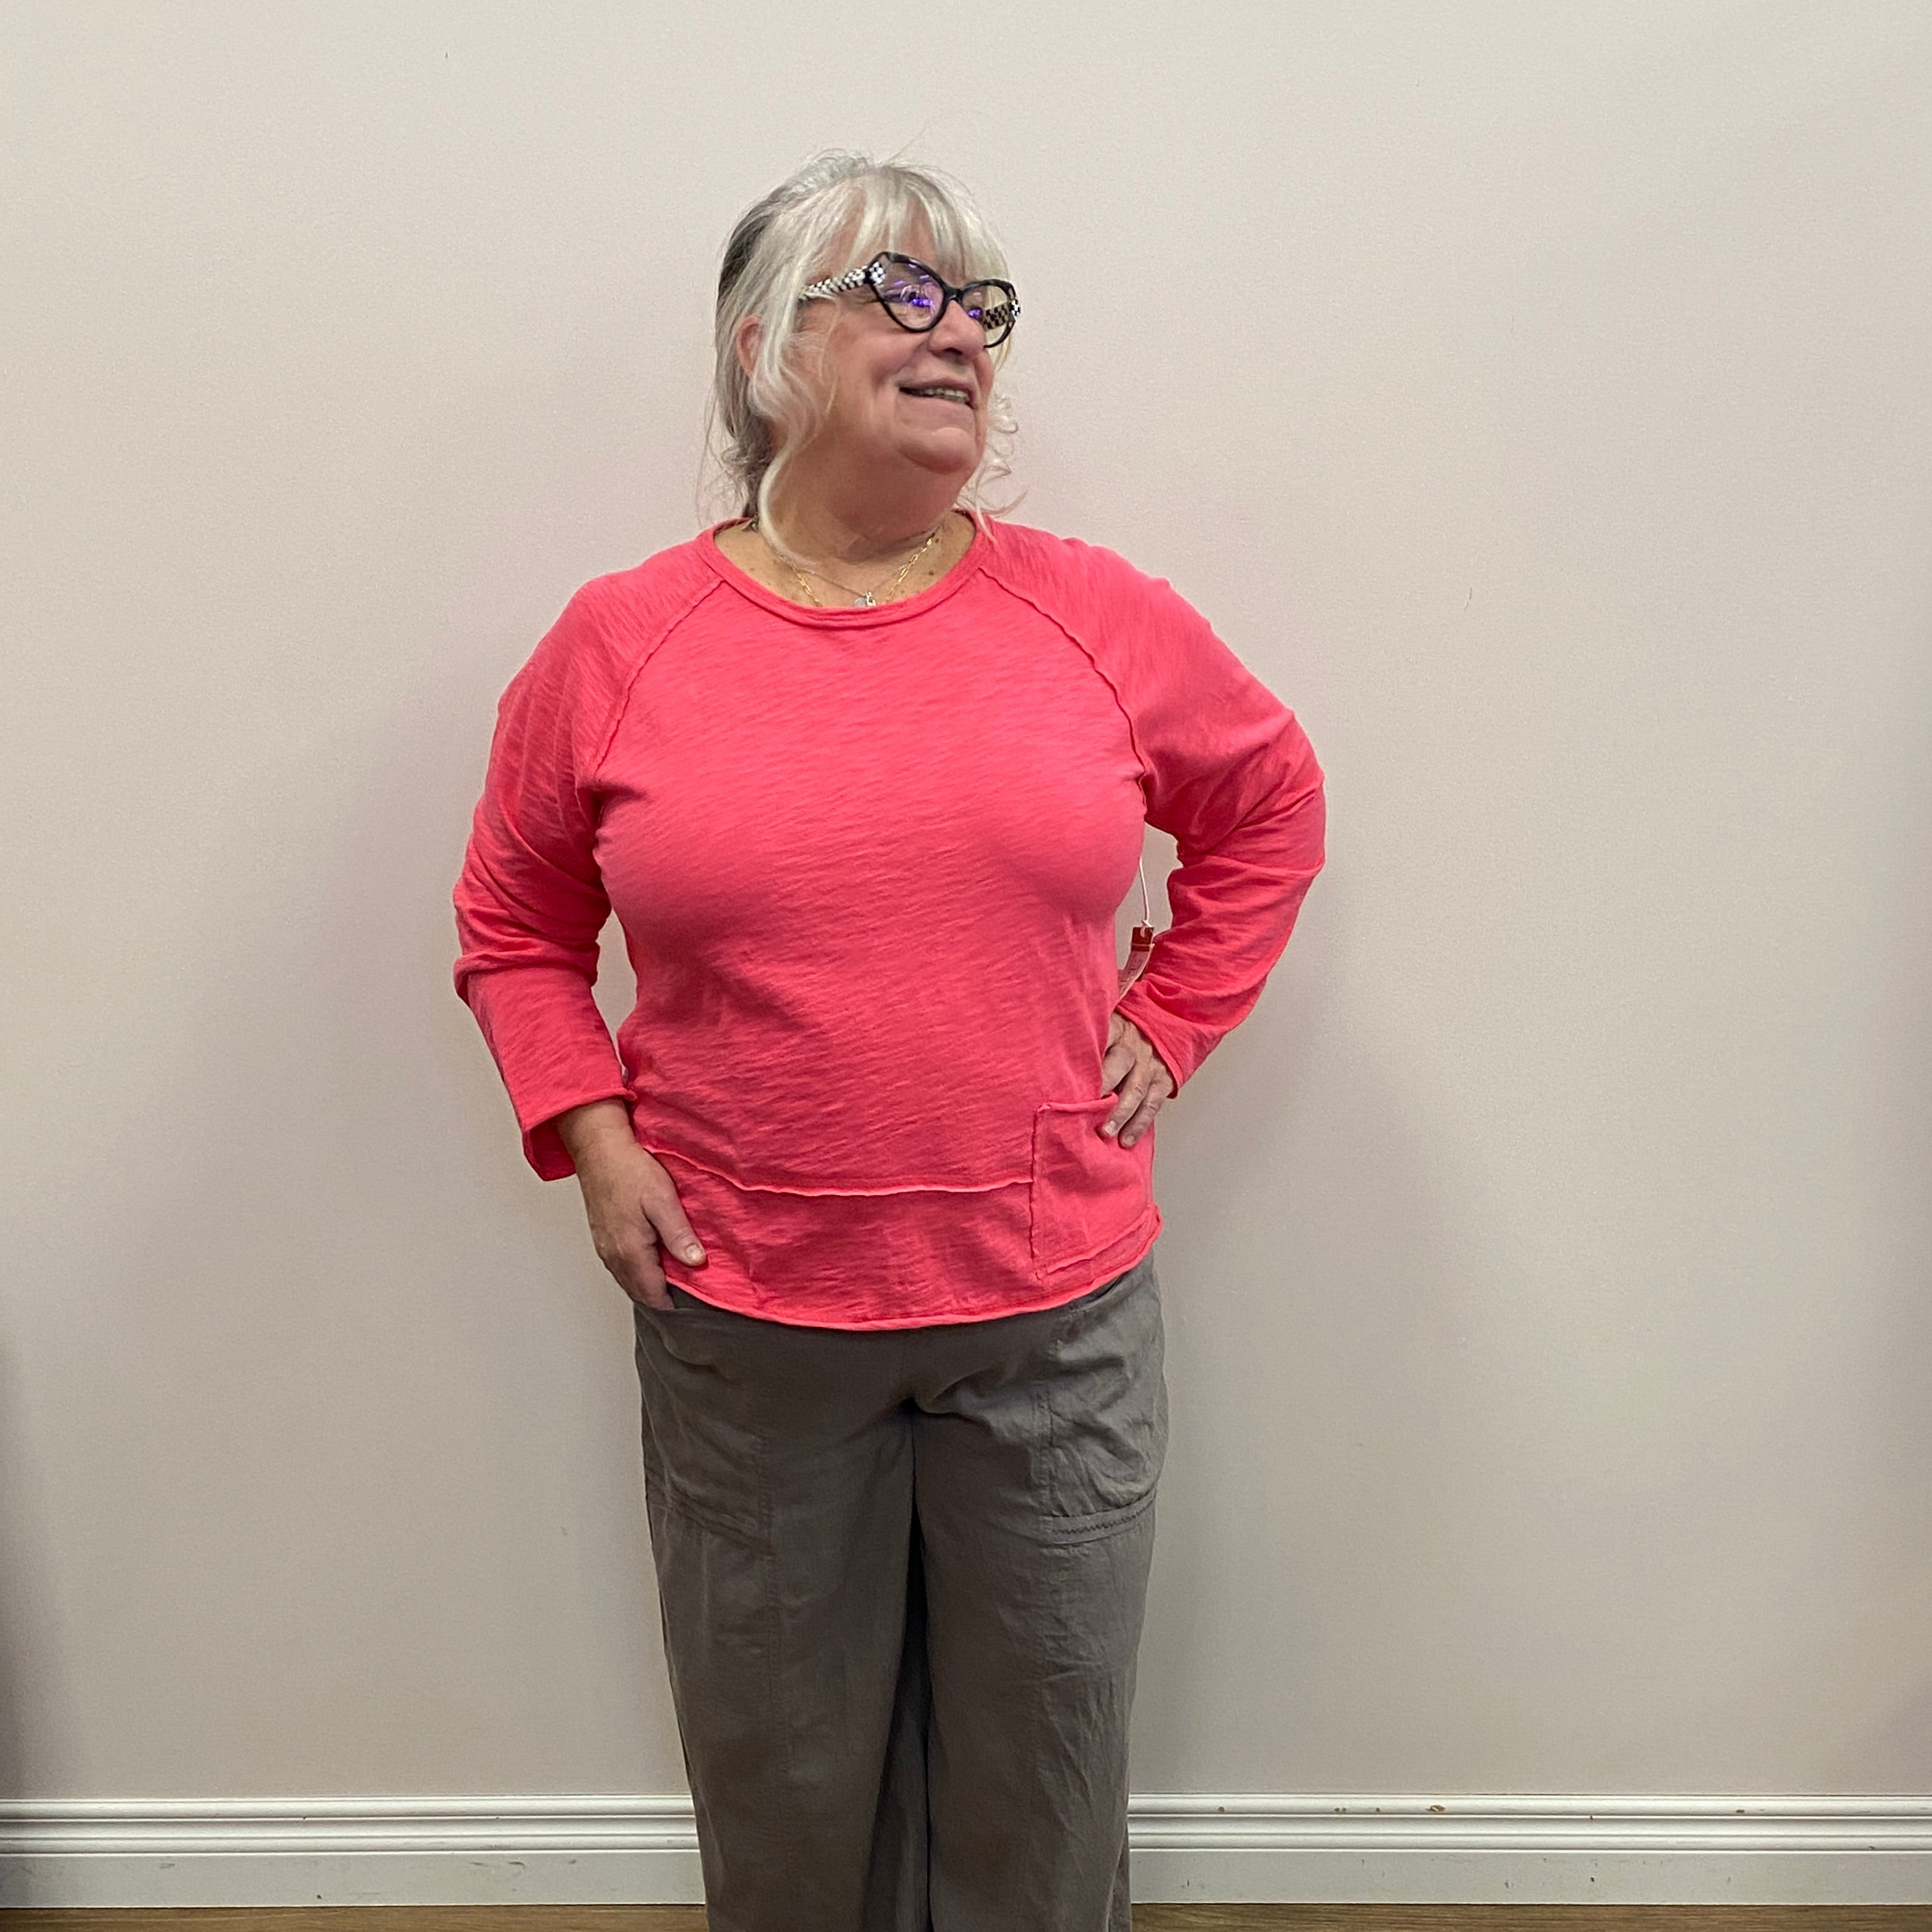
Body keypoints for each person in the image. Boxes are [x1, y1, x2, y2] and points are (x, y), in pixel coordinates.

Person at [451, 150, 1326, 1932]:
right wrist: (594, 1135)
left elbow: (1271, 802)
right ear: (770, 342)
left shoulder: (1092, 617)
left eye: (984, 308)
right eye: (907, 294)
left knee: (1042, 1798)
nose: (964, 340)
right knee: (784, 1804)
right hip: (752, 1330)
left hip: (1052, 1326)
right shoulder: (621, 646)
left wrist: (1175, 1013)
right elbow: (516, 925)